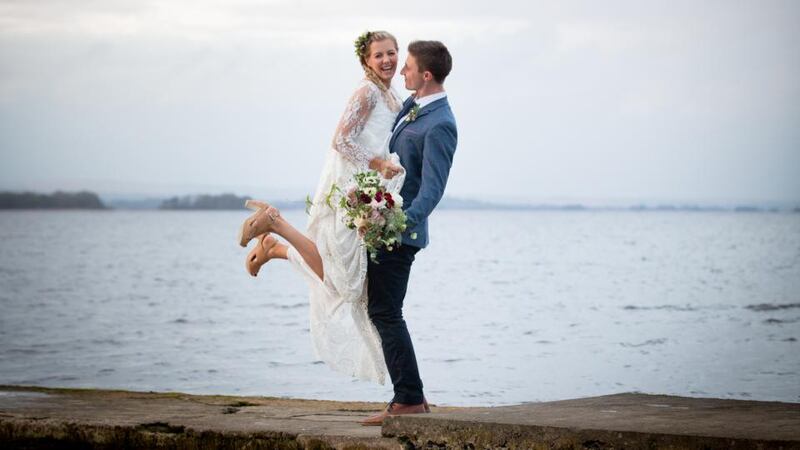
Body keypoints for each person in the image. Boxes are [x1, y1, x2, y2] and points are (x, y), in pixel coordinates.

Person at [238, 31, 405, 385]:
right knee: (344, 277)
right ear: (366, 61)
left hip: (370, 185)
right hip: (350, 185)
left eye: (392, 53)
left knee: (344, 273)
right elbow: (341, 139)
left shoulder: (391, 93)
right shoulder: (366, 92)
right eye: (379, 55)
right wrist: (377, 165)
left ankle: (276, 245)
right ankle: (277, 228)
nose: (387, 60)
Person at [359, 40, 457, 426]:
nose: (402, 71)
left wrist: (394, 225)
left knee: (386, 311)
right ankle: (409, 396)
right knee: (382, 310)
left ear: (426, 75)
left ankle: (409, 400)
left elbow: (432, 191)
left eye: (409, 67)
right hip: (385, 224)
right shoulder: (412, 107)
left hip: (401, 233)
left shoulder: (442, 123)